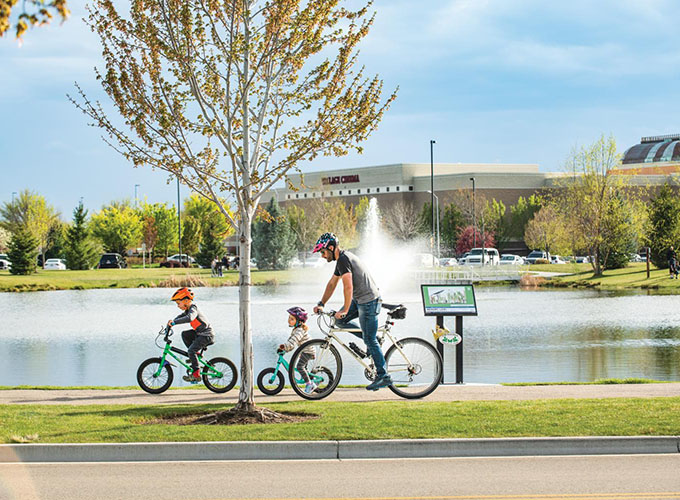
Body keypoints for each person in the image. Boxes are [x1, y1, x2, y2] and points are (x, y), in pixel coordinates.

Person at [312, 232, 392, 391]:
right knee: (340, 321)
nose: (322, 255)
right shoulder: (341, 260)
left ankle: (383, 376)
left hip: (368, 301)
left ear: (331, 247)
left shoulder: (344, 259)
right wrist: (321, 303)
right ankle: (371, 337)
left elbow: (348, 286)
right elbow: (332, 283)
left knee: (369, 339)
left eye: (323, 251)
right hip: (360, 300)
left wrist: (346, 309)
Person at [167, 287, 215, 382]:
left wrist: (175, 323)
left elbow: (190, 318)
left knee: (191, 350)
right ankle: (195, 356)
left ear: (186, 300)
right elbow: (179, 317)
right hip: (200, 334)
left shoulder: (193, 308)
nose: (178, 306)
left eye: (178, 303)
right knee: (185, 334)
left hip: (206, 335)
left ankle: (196, 374)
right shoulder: (187, 311)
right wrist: (171, 322)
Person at [278, 306, 317, 394]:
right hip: (304, 351)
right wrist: (285, 348)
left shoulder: (299, 331)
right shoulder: (296, 329)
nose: (289, 320)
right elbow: (290, 340)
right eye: (289, 318)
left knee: (300, 367)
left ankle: (310, 384)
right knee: (303, 367)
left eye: (292, 319)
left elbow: (293, 342)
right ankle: (311, 380)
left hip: (308, 352)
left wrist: (285, 346)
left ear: (299, 321)